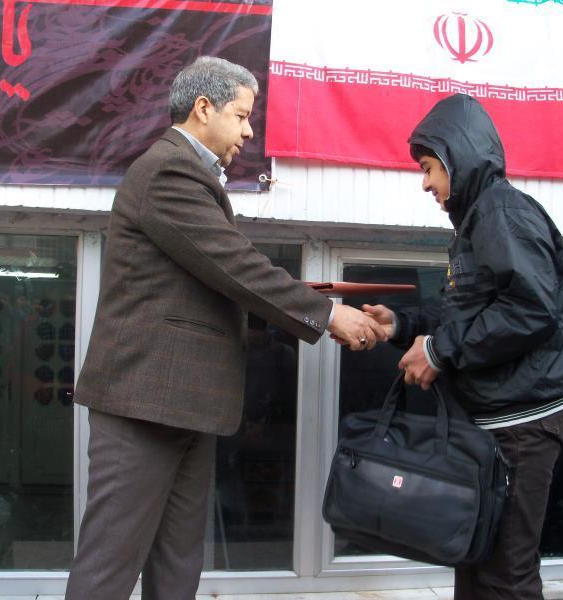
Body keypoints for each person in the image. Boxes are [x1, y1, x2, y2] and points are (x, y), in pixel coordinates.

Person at [64, 56, 385, 600]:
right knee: (109, 566)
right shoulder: (167, 171)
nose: (249, 131)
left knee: (178, 563)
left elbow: (216, 277)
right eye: (241, 115)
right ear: (203, 108)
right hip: (144, 403)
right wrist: (327, 312)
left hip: (182, 405)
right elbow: (234, 264)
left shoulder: (189, 174)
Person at [364, 93, 563, 600]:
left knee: (505, 573)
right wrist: (401, 324)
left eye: (428, 168)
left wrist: (439, 352)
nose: (425, 184)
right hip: (499, 422)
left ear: (456, 157)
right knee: (475, 557)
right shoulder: (480, 220)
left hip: (524, 422)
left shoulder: (502, 212)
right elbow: (467, 314)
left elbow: (531, 307)